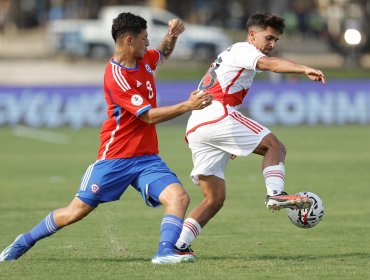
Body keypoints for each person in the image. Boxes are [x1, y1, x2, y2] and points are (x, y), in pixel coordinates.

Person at [0, 12, 213, 265]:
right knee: (74, 212)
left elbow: (163, 53)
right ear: (129, 40)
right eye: (145, 38)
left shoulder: (144, 60)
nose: (148, 43)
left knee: (179, 197)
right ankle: (24, 241)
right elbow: (148, 117)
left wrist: (172, 35)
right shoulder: (117, 76)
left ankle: (165, 252)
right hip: (115, 158)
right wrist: (188, 105)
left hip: (146, 158)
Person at [174, 12, 326, 253]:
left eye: (275, 40)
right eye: (269, 38)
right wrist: (303, 68)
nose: (272, 45)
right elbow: (269, 64)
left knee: (214, 199)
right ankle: (275, 194)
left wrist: (229, 141)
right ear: (252, 34)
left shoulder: (231, 53)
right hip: (217, 114)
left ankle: (179, 246)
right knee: (275, 146)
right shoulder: (243, 50)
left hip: (197, 125)